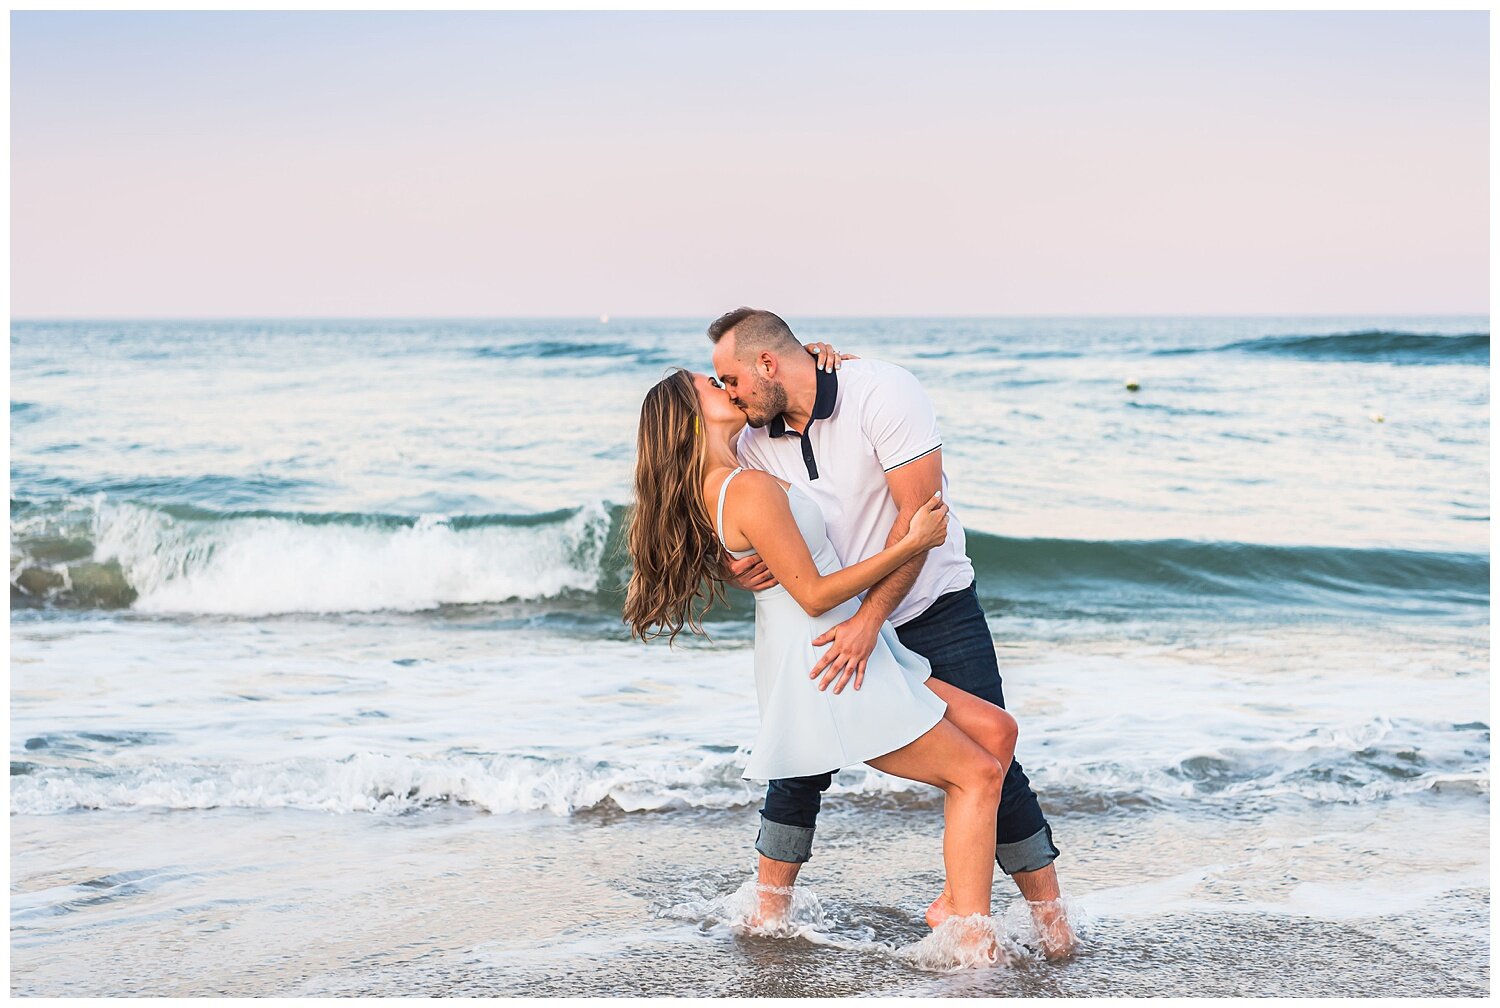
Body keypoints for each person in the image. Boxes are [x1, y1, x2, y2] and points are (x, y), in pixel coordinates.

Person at [707, 307, 1076, 958]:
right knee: (799, 763)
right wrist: (732, 566)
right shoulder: (747, 434)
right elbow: (707, 512)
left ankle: (1051, 925)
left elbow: (919, 521)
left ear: (768, 364)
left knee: (993, 754)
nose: (729, 393)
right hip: (827, 619)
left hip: (930, 604)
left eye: (731, 378)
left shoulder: (883, 392)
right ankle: (766, 915)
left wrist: (868, 623)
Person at [623, 365, 1020, 954]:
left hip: (842, 648)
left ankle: (951, 903)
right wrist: (911, 542)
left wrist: (813, 356)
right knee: (978, 772)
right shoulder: (746, 488)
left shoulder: (733, 479)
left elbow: (785, 381)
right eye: (711, 384)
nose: (724, 386)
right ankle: (969, 939)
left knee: (996, 729)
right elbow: (813, 593)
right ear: (690, 416)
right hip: (832, 659)